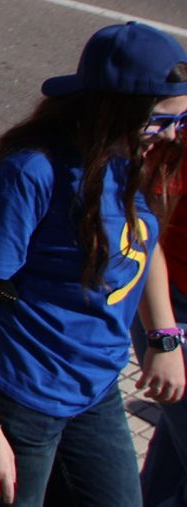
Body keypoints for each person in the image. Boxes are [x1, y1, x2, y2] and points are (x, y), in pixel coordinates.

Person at [0, 22, 187, 507]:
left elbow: (145, 240)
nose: (173, 135)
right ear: (115, 109)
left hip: (92, 389)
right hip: (17, 395)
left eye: (184, 120)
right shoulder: (31, 174)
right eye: (161, 122)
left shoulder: (132, 158)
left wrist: (164, 338)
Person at [134, 108, 187, 507]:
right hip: (172, 307)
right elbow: (146, 235)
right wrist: (164, 337)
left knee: (175, 443)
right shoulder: (170, 143)